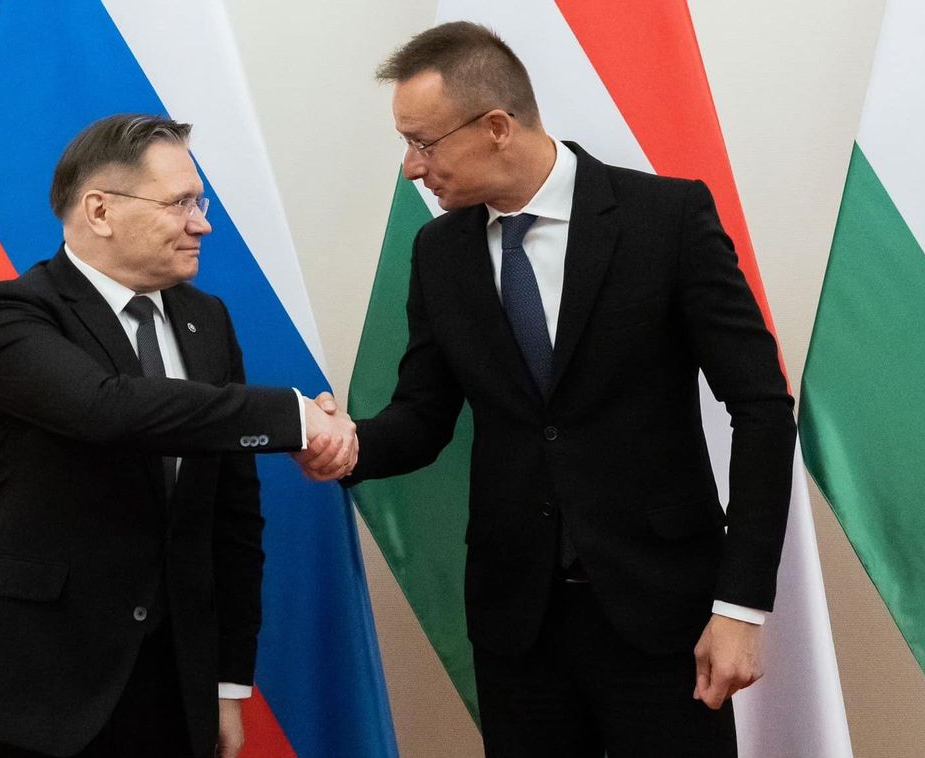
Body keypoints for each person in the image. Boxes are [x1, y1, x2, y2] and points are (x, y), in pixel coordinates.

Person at [300, 21, 796, 757]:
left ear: (496, 127)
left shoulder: (666, 219)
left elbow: (761, 410)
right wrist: (344, 444)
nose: (411, 168)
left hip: (663, 613)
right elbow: (424, 416)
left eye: (423, 143)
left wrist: (741, 605)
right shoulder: (439, 252)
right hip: (518, 624)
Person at [0, 114, 355, 758]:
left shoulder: (208, 319)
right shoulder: (8, 312)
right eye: (180, 203)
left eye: (199, 203)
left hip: (174, 683)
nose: (201, 224)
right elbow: (104, 408)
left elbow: (232, 517)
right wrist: (293, 417)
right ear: (100, 211)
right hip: (39, 684)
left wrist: (228, 684)